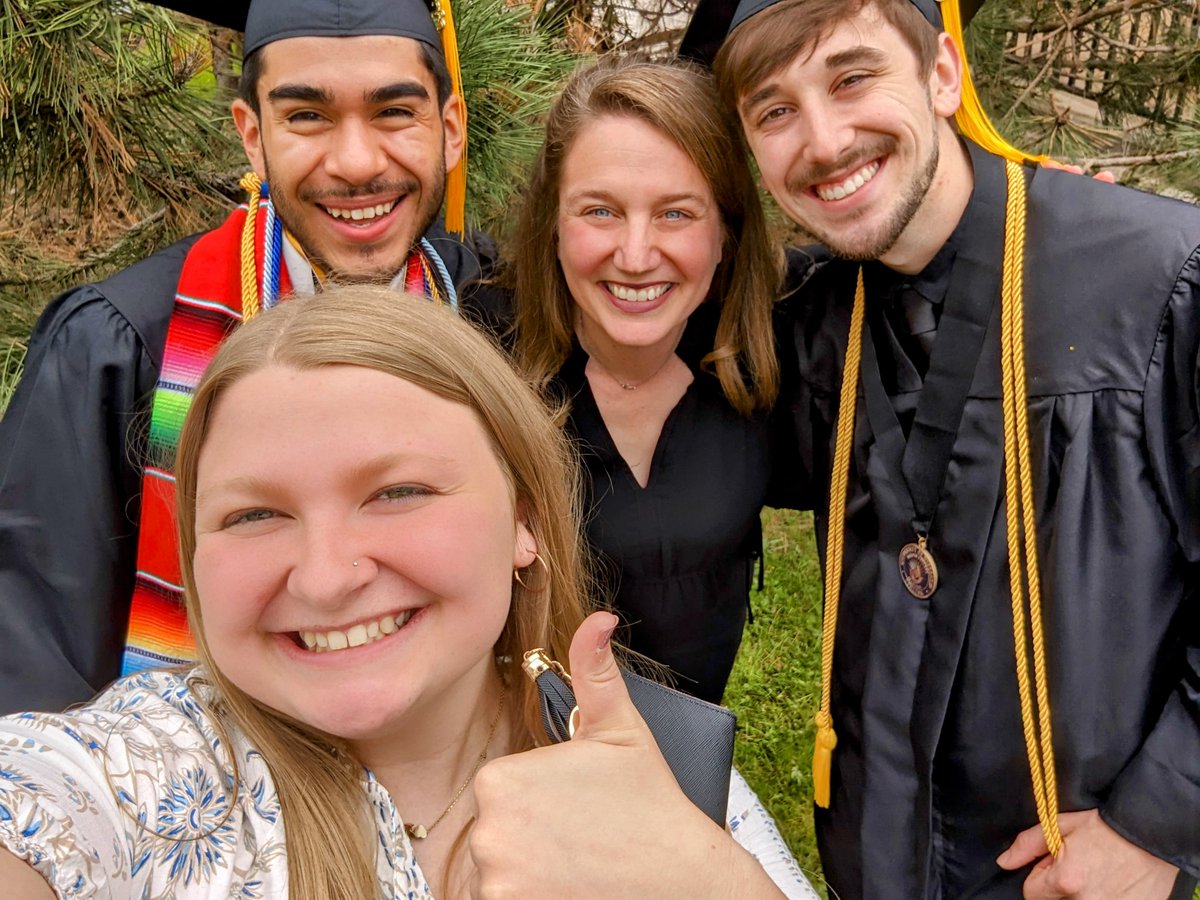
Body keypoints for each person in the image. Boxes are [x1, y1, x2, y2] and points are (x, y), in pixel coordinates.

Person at [469, 1, 1200, 898]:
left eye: (853, 77)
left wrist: (1155, 824)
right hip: (874, 858)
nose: (823, 140)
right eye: (774, 110)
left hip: (1071, 867)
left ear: (942, 72)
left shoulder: (1156, 284)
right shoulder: (815, 327)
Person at [0, 288, 815, 899]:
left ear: (523, 521)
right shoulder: (148, 773)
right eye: (254, 514)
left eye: (398, 493)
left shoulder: (661, 776)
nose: (324, 577)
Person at [0, 0, 507, 714]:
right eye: (306, 116)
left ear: (449, 131)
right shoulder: (124, 346)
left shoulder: (491, 311)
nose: (358, 163)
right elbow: (30, 675)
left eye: (395, 113)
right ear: (252, 136)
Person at [509, 56, 790, 703]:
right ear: (552, 223)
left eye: (676, 214)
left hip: (690, 753)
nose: (635, 257)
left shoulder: (777, 355)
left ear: (726, 233)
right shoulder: (481, 349)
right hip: (526, 745)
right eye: (600, 211)